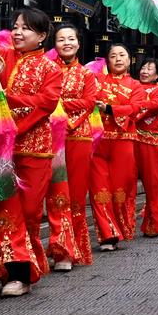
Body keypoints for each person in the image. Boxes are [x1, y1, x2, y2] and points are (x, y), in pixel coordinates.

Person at [0, 8, 65, 294]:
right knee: (3, 210)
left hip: (35, 149)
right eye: (15, 26)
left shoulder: (50, 68)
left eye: (25, 28)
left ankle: (26, 263)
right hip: (0, 148)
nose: (17, 32)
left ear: (42, 36)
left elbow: (45, 103)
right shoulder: (2, 58)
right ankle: (16, 272)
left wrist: (7, 99)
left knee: (28, 211)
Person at [50, 24, 100, 265]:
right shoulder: (47, 70)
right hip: (51, 138)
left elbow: (90, 102)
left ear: (79, 43)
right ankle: (60, 249)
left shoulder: (87, 74)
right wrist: (67, 104)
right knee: (57, 193)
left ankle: (75, 248)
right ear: (54, 44)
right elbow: (47, 100)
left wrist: (64, 113)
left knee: (77, 194)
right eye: (61, 39)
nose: (66, 43)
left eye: (71, 38)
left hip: (78, 137)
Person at [91, 43, 142, 249]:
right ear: (107, 60)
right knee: (98, 189)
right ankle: (107, 234)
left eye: (122, 55)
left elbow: (135, 107)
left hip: (123, 142)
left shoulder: (135, 85)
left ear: (130, 60)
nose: (118, 58)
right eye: (113, 55)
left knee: (120, 189)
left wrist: (110, 109)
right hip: (98, 141)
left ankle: (121, 227)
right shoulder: (97, 81)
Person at [132, 58, 158, 236]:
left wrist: (131, 109)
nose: (145, 71)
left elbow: (157, 105)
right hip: (129, 139)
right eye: (143, 68)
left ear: (157, 75)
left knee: (153, 184)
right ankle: (125, 224)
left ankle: (154, 223)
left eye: (150, 69)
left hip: (149, 141)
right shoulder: (131, 86)